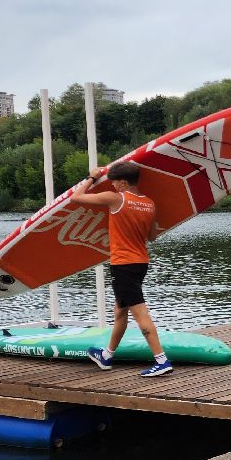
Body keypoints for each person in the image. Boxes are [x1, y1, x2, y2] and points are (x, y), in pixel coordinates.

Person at [69, 161, 172, 376]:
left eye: (114, 183)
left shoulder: (116, 198)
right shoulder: (149, 203)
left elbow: (76, 197)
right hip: (140, 262)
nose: (113, 186)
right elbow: (152, 236)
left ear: (123, 183)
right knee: (120, 312)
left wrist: (92, 177)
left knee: (140, 314)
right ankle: (107, 355)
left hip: (123, 264)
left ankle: (162, 361)